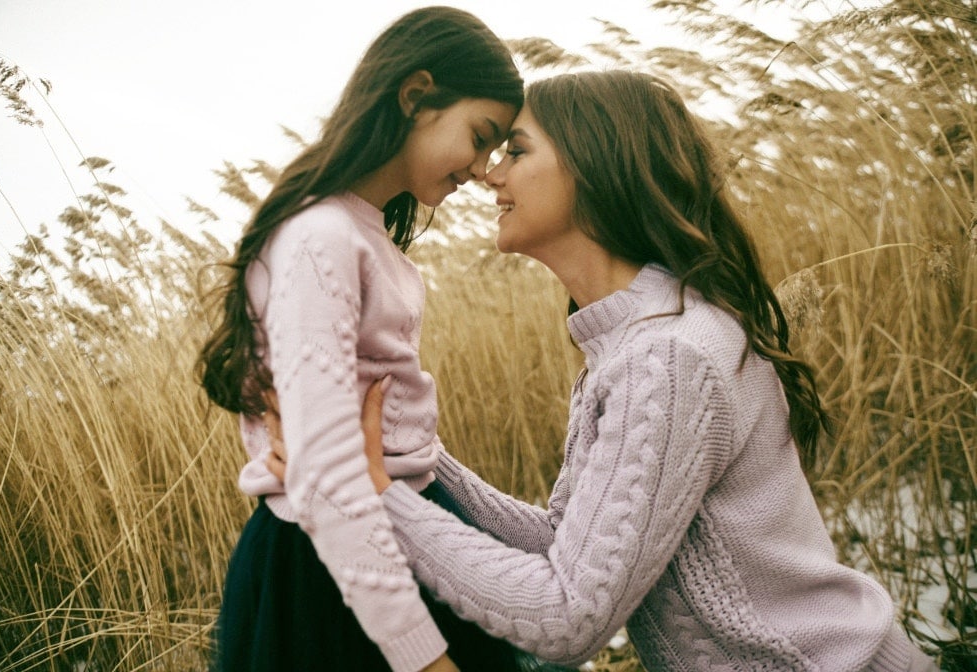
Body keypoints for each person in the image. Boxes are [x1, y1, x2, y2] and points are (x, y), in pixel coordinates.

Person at [266, 70, 941, 671]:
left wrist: (378, 496)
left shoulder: (668, 359)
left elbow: (568, 619)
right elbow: (568, 546)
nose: (489, 174)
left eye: (518, 151)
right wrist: (419, 459)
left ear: (594, 166)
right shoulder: (632, 344)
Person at [196, 6, 530, 672]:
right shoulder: (322, 237)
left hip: (392, 539)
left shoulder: (365, 235)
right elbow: (325, 477)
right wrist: (423, 660)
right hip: (333, 580)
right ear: (416, 96)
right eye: (480, 135)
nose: (481, 168)